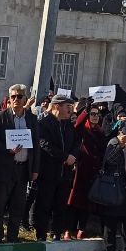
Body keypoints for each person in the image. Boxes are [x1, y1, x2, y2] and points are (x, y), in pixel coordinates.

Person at [0, 84, 39, 244]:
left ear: (25, 99)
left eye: (19, 96)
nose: (16, 99)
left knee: (18, 206)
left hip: (23, 169)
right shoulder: (1, 116)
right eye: (13, 96)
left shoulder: (32, 119)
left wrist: (35, 169)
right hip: (5, 168)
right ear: (9, 99)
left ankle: (12, 237)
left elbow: (36, 145)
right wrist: (7, 149)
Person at [33, 94, 78, 242]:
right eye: (67, 107)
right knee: (44, 203)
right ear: (57, 106)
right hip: (48, 171)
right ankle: (41, 234)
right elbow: (44, 144)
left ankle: (56, 232)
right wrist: (64, 157)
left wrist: (73, 155)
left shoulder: (67, 124)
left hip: (65, 172)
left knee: (60, 204)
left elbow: (76, 142)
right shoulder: (43, 123)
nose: (70, 110)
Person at [67, 105, 106, 240]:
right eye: (92, 114)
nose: (95, 116)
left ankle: (81, 229)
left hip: (93, 171)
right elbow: (77, 124)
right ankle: (68, 229)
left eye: (97, 114)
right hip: (80, 170)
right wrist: (85, 110)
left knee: (87, 202)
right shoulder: (83, 129)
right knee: (73, 201)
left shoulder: (101, 131)